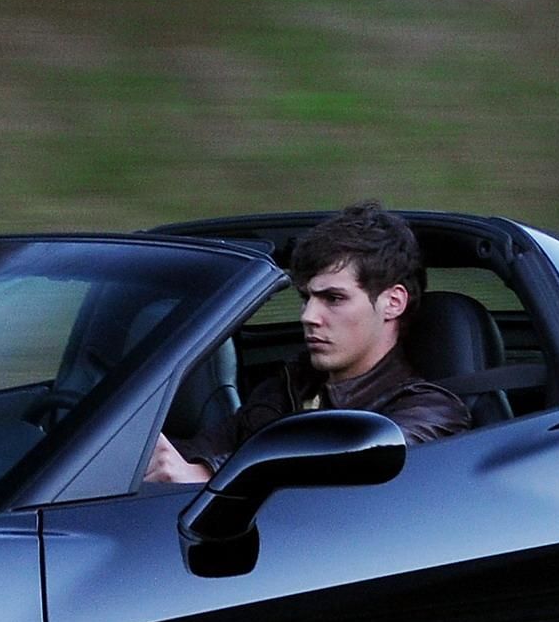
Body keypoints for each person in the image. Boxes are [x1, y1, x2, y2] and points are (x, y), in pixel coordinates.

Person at [144, 202, 470, 484]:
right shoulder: (284, 390)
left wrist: (208, 476)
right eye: (306, 298)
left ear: (393, 303)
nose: (308, 315)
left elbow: (343, 464)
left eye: (333, 298)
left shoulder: (431, 412)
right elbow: (199, 451)